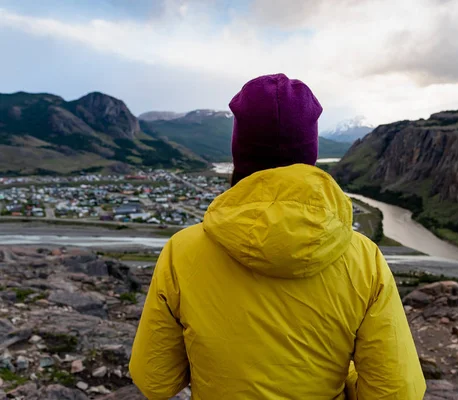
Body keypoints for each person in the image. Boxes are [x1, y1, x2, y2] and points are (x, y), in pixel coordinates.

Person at [129, 73, 426, 400]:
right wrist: (344, 374)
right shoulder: (364, 260)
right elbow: (398, 392)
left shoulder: (181, 252)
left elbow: (155, 380)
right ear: (310, 153)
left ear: (239, 152)